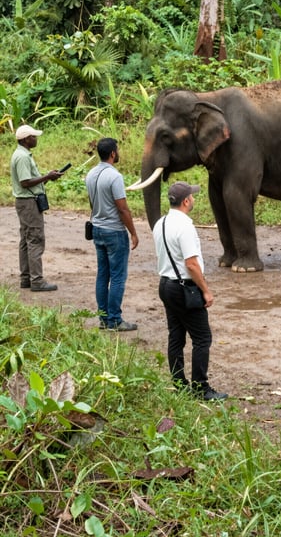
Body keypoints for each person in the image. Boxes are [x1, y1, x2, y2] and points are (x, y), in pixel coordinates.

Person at [152, 181, 227, 401]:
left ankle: (179, 382)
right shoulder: (185, 226)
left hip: (165, 284)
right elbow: (191, 264)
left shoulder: (161, 223)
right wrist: (206, 290)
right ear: (186, 201)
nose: (193, 199)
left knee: (176, 335)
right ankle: (201, 387)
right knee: (202, 338)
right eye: (192, 196)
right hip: (184, 287)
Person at [85, 138, 140, 331]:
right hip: (114, 232)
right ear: (113, 154)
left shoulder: (90, 174)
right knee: (117, 277)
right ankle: (115, 320)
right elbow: (123, 209)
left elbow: (92, 203)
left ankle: (103, 318)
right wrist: (133, 232)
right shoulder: (115, 177)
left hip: (98, 229)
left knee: (102, 275)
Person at [10, 124, 64, 292]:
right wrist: (47, 176)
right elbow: (25, 183)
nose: (36, 139)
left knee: (26, 240)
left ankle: (26, 278)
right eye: (33, 136)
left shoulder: (21, 154)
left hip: (25, 201)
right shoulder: (23, 157)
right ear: (26, 139)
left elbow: (30, 181)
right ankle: (37, 281)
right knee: (35, 239)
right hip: (29, 203)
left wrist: (47, 178)